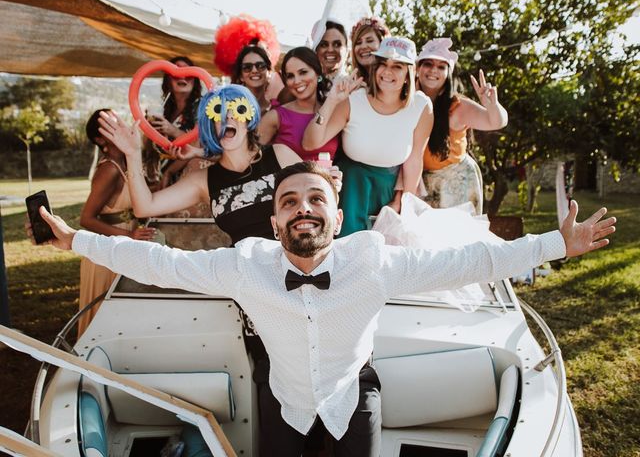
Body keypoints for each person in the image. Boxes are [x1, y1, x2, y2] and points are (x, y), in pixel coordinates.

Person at [34, 161, 615, 456]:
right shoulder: (245, 264)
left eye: (318, 199)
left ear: (339, 218)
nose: (303, 209)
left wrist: (558, 244)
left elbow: (468, 262)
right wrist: (74, 241)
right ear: (274, 220)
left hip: (350, 395)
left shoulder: (375, 262)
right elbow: (160, 265)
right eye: (290, 202)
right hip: (280, 394)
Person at [99, 84, 300, 245]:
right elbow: (144, 208)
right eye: (219, 111)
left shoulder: (280, 155)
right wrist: (132, 155)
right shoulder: (203, 181)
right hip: (249, 280)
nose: (227, 116)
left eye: (237, 110)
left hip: (301, 269)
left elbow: (322, 196)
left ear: (249, 121)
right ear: (211, 124)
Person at [303, 36, 433, 236]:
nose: (388, 72)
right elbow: (311, 142)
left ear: (408, 73)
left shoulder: (421, 106)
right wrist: (332, 100)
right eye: (383, 64)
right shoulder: (355, 100)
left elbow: (415, 159)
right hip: (351, 188)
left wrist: (403, 201)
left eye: (397, 66)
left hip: (389, 190)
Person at [77, 110, 156, 336]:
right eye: (109, 126)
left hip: (125, 243)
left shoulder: (124, 163)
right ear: (100, 139)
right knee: (104, 314)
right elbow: (86, 219)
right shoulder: (109, 169)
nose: (118, 127)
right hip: (107, 250)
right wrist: (129, 236)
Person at [416, 38, 508, 215]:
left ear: (448, 73)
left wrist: (492, 105)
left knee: (455, 241)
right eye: (428, 64)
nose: (434, 70)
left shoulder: (457, 107)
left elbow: (496, 121)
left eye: (441, 66)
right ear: (418, 68)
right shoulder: (407, 102)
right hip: (422, 184)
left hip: (456, 186)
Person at [258, 47, 339, 162]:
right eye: (290, 76)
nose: (296, 81)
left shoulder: (334, 111)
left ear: (317, 72)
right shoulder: (275, 116)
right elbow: (251, 158)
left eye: (303, 72)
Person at [143, 56, 203, 190]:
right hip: (162, 177)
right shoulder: (163, 110)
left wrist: (172, 130)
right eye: (177, 74)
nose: (183, 77)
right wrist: (147, 129)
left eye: (188, 74)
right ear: (168, 79)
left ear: (195, 79)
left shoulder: (202, 106)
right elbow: (150, 147)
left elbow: (199, 143)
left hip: (190, 178)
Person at [231, 43, 284, 115]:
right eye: (247, 67)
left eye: (260, 66)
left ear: (269, 72)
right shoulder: (229, 108)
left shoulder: (278, 111)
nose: (254, 70)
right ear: (241, 76)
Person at [350, 16, 390, 83]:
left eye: (370, 41)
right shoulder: (349, 85)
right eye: (358, 42)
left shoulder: (392, 82)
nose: (363, 46)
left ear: (382, 43)